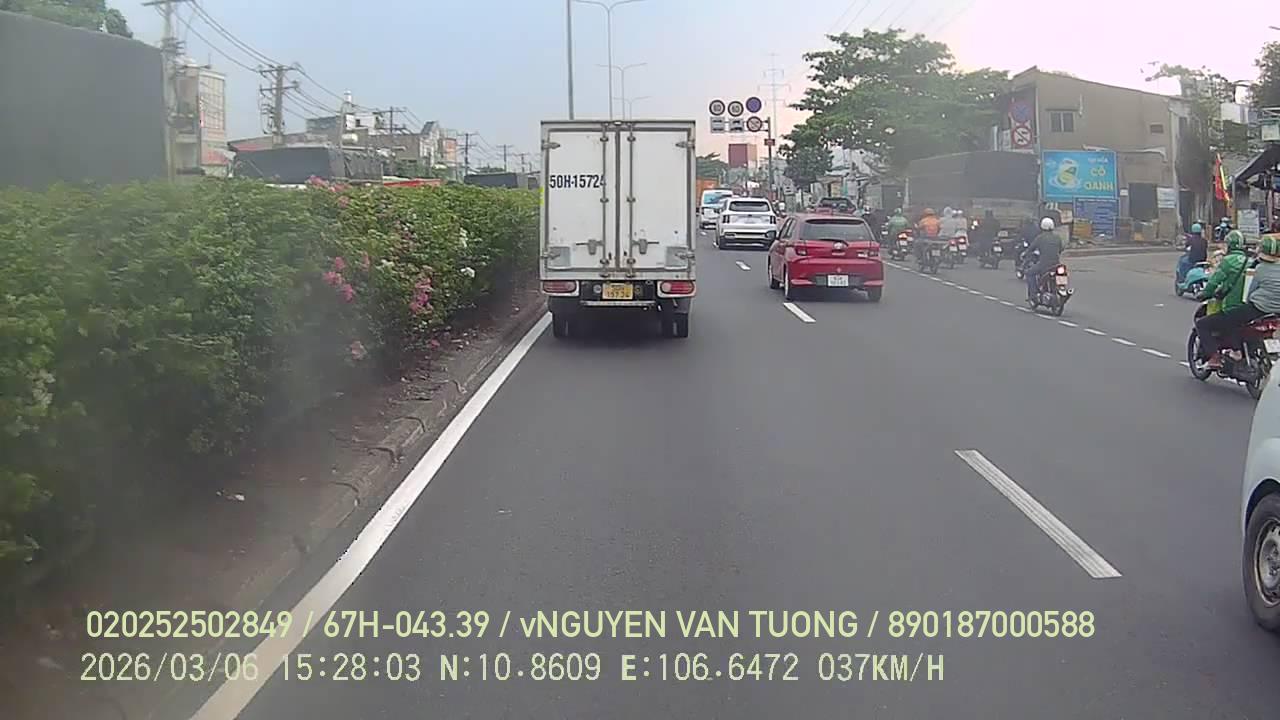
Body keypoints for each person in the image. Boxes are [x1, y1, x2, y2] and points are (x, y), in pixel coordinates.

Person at [1193, 230, 1250, 368]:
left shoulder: (1228, 261)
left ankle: (1214, 358)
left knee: (1202, 324)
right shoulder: (1250, 261)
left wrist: (1204, 293)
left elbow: (1214, 281)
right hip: (1249, 306)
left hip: (1231, 306)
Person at [1024, 217, 1063, 301]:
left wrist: (1025, 254)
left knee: (1029, 273)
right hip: (1056, 264)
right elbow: (1061, 249)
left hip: (1044, 264)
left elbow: (1031, 248)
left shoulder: (1040, 237)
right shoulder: (1057, 237)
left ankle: (1033, 294)